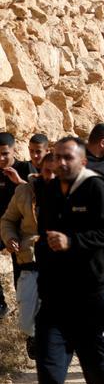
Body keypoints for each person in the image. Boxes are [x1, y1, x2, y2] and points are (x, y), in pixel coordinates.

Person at [24, 136, 104, 384]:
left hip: (91, 299)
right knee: (50, 372)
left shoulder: (95, 187)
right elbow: (45, 240)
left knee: (98, 371)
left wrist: (73, 241)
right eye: (57, 157)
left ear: (82, 160)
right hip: (55, 302)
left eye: (68, 157)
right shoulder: (50, 192)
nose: (61, 162)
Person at [1, 153, 57, 359]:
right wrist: (10, 238)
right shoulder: (24, 191)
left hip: (58, 263)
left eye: (55, 171)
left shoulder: (71, 193)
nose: (50, 176)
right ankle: (33, 337)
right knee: (26, 321)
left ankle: (51, 352)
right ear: (39, 170)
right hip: (30, 259)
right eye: (46, 171)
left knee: (51, 311)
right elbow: (7, 220)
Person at [0, 132, 25, 319]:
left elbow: (38, 195)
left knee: (21, 277)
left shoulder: (24, 168)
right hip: (1, 228)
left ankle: (25, 313)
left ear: (14, 150)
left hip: (22, 231)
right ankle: (1, 306)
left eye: (5, 154)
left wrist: (19, 181)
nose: (1, 158)